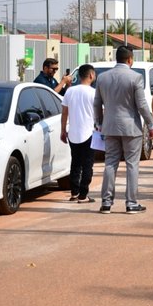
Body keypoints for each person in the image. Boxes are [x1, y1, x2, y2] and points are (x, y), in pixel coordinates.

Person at [94, 46, 153, 214]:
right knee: (131, 165)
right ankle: (131, 203)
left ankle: (106, 203)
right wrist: (151, 124)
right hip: (131, 127)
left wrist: (99, 123)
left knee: (110, 163)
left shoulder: (102, 77)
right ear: (130, 60)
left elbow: (96, 103)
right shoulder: (135, 77)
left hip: (109, 126)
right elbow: (142, 105)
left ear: (117, 58)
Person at [60, 64, 96, 203]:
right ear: (91, 75)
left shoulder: (70, 91)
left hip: (73, 133)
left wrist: (63, 130)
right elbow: (100, 113)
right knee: (87, 165)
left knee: (75, 163)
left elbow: (64, 113)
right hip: (89, 133)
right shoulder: (94, 93)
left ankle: (74, 192)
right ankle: (83, 194)